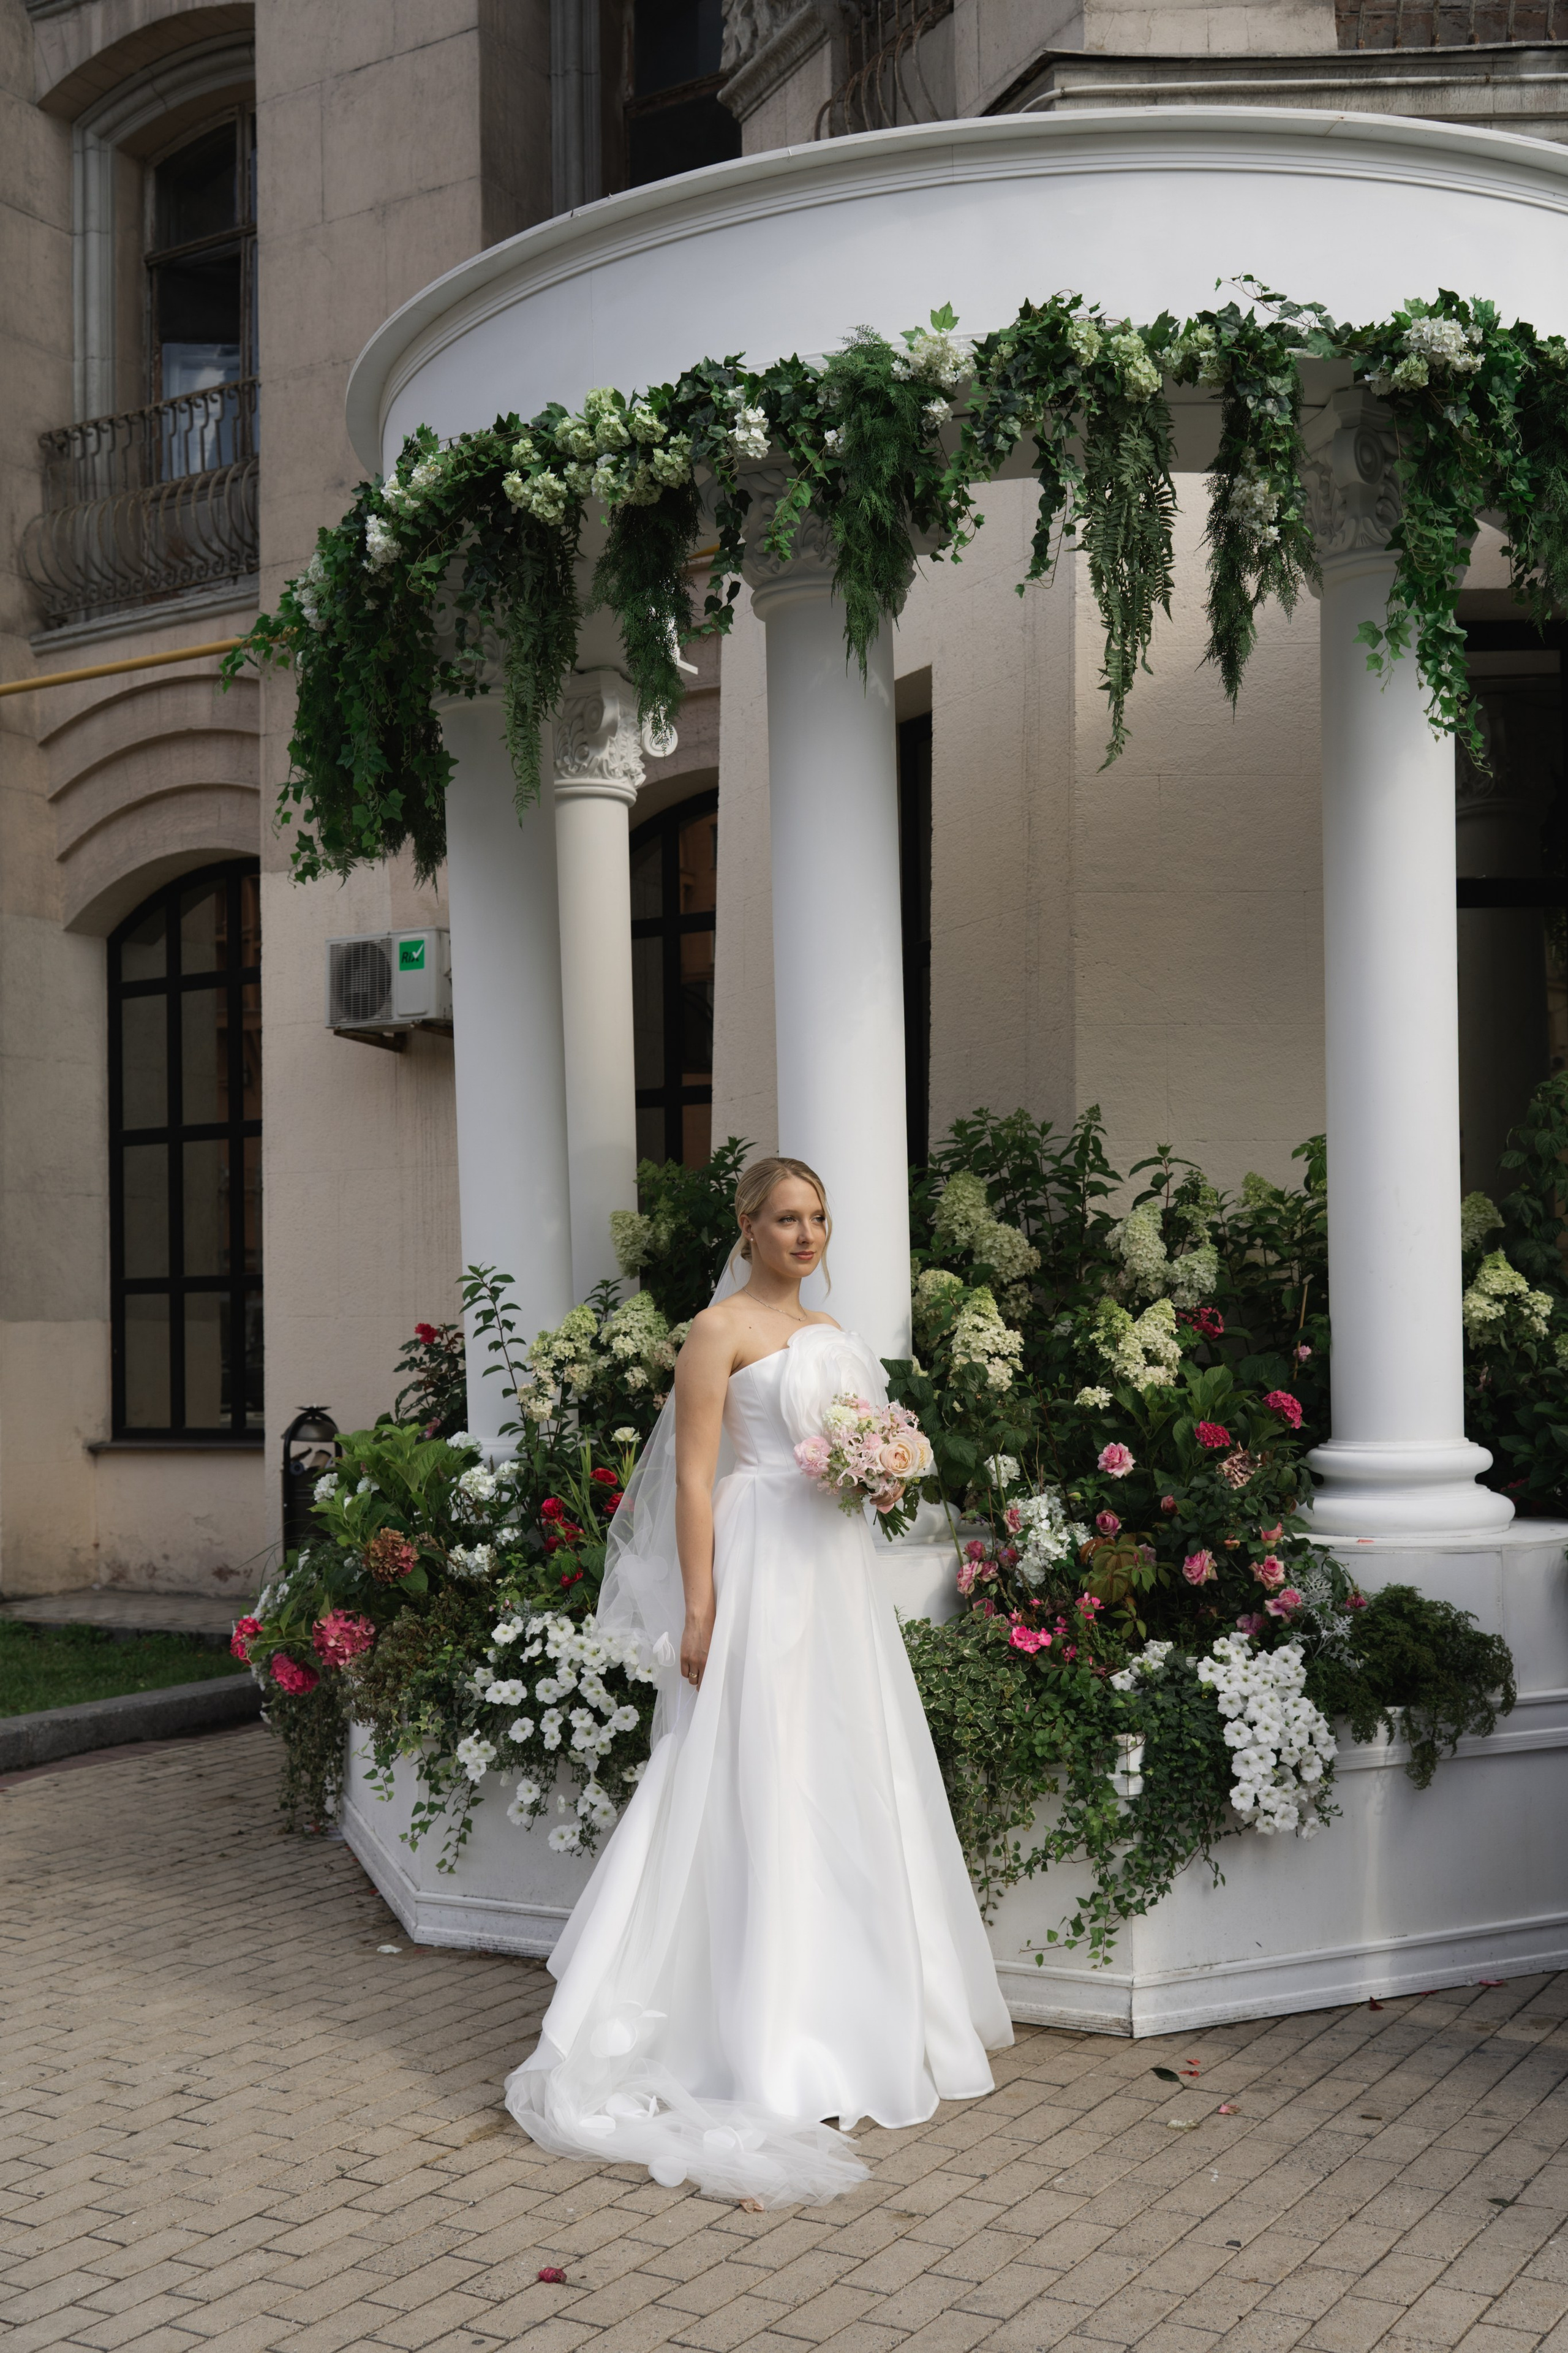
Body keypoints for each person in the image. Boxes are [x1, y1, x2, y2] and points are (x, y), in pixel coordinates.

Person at [504, 1156, 1012, 2206]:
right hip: (758, 1571)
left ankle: (859, 2012)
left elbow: (871, 1455)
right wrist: (700, 1607)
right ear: (748, 1224)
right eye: (788, 1217)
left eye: (820, 1216)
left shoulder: (836, 1337)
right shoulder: (718, 1330)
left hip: (833, 1578)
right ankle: (751, 2027)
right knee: (751, 1772)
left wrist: (883, 1464)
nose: (807, 1233)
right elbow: (694, 1476)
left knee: (846, 1768)